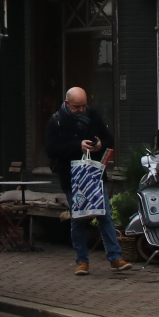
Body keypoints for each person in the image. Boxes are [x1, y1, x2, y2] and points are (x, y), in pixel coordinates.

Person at [44, 86, 133, 275]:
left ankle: (115, 257)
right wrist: (78, 146)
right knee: (78, 218)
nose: (82, 110)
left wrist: (101, 144)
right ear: (67, 103)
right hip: (72, 178)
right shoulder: (56, 121)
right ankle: (82, 260)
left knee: (104, 215)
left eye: (84, 106)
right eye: (77, 107)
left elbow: (109, 139)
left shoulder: (92, 116)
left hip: (94, 175)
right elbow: (51, 150)